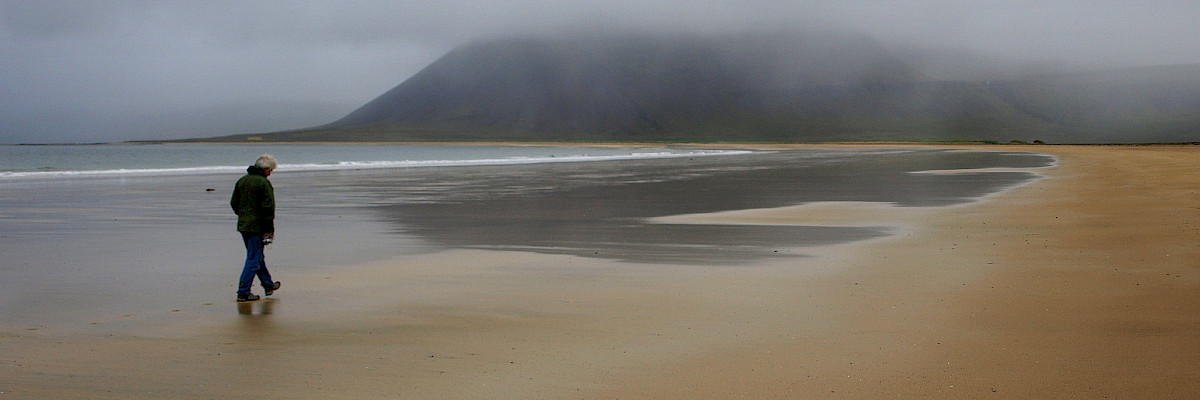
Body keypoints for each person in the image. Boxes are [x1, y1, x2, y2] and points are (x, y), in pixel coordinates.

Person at [230, 154, 281, 302]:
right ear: (265, 169)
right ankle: (243, 292)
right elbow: (268, 208)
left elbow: (234, 203)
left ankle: (268, 284)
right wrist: (269, 230)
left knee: (256, 255)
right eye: (270, 170)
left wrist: (243, 215)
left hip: (243, 225)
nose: (270, 173)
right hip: (257, 226)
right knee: (253, 258)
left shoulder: (242, 181)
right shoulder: (263, 183)